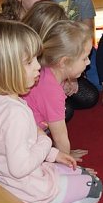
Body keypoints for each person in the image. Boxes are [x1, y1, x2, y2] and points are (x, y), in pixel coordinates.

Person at [0, 19, 101, 203]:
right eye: (29, 62)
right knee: (94, 187)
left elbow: (9, 143)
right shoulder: (14, 113)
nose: (38, 66)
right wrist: (46, 143)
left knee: (78, 172)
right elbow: (19, 167)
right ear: (8, 68)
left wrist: (53, 154)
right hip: (26, 186)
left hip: (7, 176)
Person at [25, 20, 95, 161]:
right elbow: (60, 137)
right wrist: (66, 159)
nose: (88, 62)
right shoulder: (52, 92)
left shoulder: (46, 70)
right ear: (63, 62)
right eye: (84, 58)